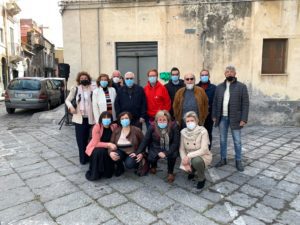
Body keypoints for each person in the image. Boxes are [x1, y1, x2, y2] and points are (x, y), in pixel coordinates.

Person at [212, 65, 249, 172]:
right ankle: (223, 159)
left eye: (231, 71)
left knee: (237, 141)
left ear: (235, 73)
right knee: (222, 140)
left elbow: (245, 104)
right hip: (222, 117)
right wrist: (214, 116)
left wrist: (244, 119)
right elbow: (215, 102)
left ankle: (238, 160)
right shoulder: (219, 87)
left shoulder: (242, 87)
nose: (229, 73)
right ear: (225, 74)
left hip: (236, 118)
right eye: (227, 71)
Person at [136, 110, 180, 183]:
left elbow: (175, 143)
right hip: (156, 146)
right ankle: (153, 166)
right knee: (151, 157)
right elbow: (145, 140)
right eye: (160, 120)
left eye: (164, 120)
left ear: (168, 120)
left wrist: (166, 153)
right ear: (156, 120)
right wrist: (138, 152)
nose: (162, 122)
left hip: (169, 147)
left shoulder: (174, 126)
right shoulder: (152, 126)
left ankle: (170, 172)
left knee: (173, 155)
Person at [65, 71, 95, 164]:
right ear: (79, 80)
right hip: (79, 119)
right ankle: (83, 158)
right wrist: (70, 107)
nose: (83, 80)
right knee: (81, 140)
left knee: (90, 139)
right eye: (81, 78)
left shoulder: (93, 88)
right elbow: (67, 100)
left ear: (88, 79)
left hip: (91, 118)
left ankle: (90, 157)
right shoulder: (75, 89)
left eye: (85, 78)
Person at [179, 111, 212, 189]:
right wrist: (184, 160)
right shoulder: (183, 132)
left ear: (196, 121)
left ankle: (202, 178)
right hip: (188, 156)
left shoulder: (203, 131)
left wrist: (188, 156)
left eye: (192, 120)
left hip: (202, 156)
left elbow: (204, 149)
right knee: (186, 166)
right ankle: (192, 171)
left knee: (196, 161)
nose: (190, 123)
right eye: (187, 121)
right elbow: (181, 149)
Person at [85, 111, 118, 181]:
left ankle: (107, 172)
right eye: (104, 118)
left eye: (108, 118)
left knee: (106, 152)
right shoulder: (97, 127)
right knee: (100, 151)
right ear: (101, 119)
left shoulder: (114, 126)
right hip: (96, 147)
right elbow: (96, 143)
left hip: (109, 148)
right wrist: (108, 144)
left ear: (111, 119)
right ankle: (96, 173)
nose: (106, 120)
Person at [109, 112, 144, 176]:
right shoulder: (116, 131)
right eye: (122, 119)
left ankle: (136, 164)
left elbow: (143, 143)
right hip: (120, 151)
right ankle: (120, 167)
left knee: (129, 164)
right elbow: (111, 143)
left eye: (126, 118)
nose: (124, 120)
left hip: (133, 153)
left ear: (130, 119)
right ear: (119, 120)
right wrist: (110, 152)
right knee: (114, 155)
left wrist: (141, 153)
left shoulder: (136, 130)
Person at [196, 69, 216, 150]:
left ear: (209, 76)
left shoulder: (214, 88)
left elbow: (215, 102)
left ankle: (207, 149)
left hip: (209, 115)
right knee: (197, 133)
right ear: (200, 77)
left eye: (206, 75)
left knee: (208, 133)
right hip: (198, 115)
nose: (204, 76)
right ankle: (198, 148)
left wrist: (214, 115)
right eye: (202, 75)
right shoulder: (196, 87)